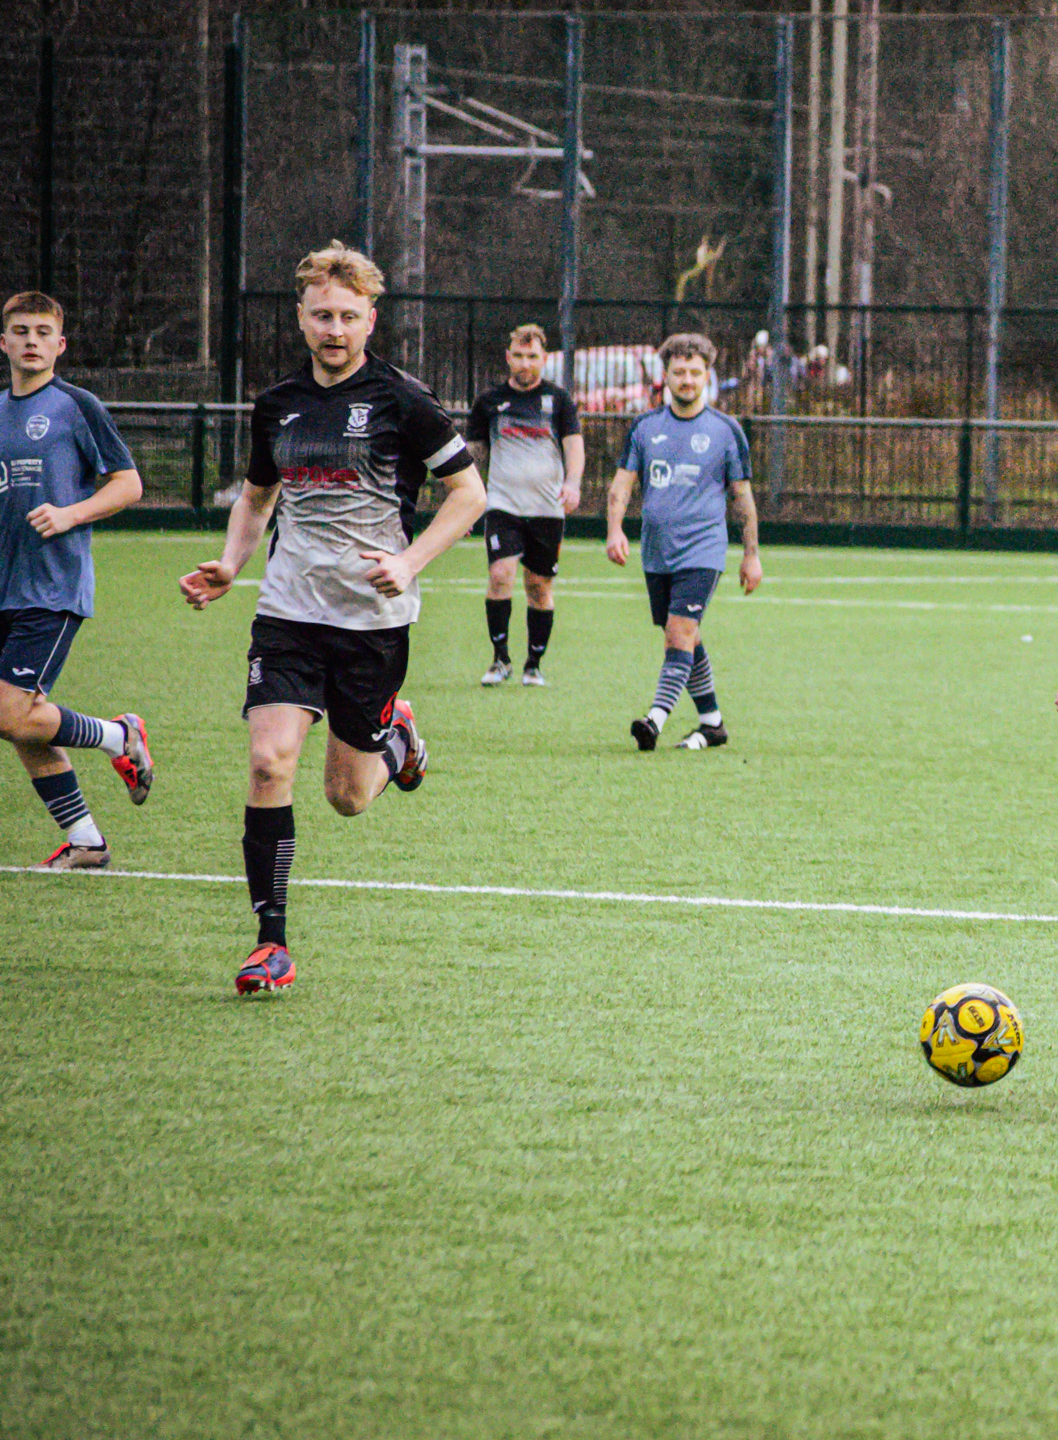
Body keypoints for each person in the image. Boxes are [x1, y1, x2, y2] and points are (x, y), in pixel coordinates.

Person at [179, 243, 486, 994]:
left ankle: (398, 737)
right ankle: (271, 941)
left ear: (370, 319)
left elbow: (470, 495)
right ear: (301, 317)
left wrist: (409, 562)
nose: (335, 329)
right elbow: (257, 497)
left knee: (346, 795)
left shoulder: (402, 400)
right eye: (322, 315)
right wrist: (231, 563)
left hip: (372, 623)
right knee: (268, 759)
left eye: (349, 317)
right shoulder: (277, 404)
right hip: (287, 612)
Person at [0, 291, 152, 868]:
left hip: (50, 588)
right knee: (19, 722)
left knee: (13, 712)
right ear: (4, 342)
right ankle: (86, 840)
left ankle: (120, 736)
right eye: (21, 330)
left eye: (43, 331)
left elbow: (129, 484)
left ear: (60, 345)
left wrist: (69, 513)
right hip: (3, 585)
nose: (32, 340)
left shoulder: (76, 405)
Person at [605, 333, 761, 750]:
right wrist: (615, 529)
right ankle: (712, 723)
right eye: (679, 372)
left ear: (708, 375)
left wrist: (751, 555)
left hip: (703, 551)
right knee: (683, 636)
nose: (687, 379)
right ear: (666, 376)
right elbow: (622, 484)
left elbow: (742, 497)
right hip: (656, 553)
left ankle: (654, 720)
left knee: (679, 633)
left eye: (695, 372)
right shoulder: (645, 427)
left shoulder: (726, 431)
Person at [465, 323, 584, 686]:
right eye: (518, 355)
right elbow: (473, 454)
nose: (525, 363)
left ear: (544, 358)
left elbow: (574, 445)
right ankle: (500, 660)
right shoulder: (489, 402)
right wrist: (466, 500)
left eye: (532, 356)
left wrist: (573, 483)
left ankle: (534, 664)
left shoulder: (558, 400)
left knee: (538, 586)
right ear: (508, 356)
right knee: (500, 575)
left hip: (547, 509)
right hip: (504, 505)